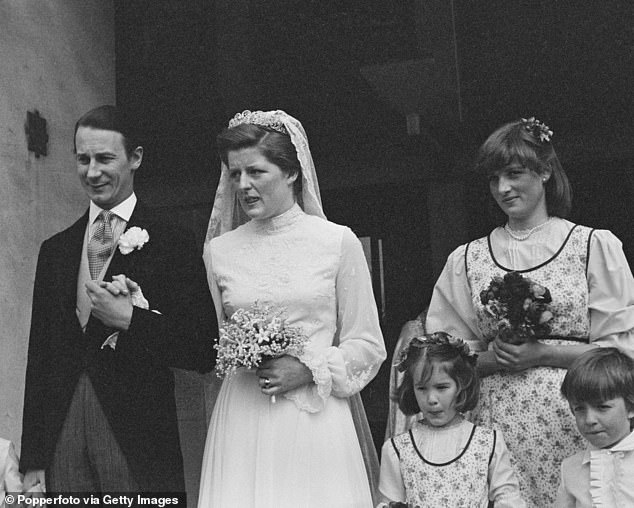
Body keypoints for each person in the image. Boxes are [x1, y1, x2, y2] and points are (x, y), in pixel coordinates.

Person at [424, 117, 634, 506]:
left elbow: (621, 354)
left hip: (574, 419)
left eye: (515, 174)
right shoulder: (467, 259)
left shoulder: (590, 246)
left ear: (545, 172)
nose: (503, 188)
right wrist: (493, 358)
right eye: (493, 179)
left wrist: (545, 354)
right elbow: (441, 359)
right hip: (494, 424)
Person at [20, 105, 216, 493]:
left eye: (105, 158)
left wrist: (131, 319)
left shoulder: (173, 241)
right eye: (83, 159)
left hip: (138, 436)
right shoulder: (55, 250)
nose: (92, 172)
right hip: (62, 437)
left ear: (136, 158)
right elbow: (39, 357)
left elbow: (202, 348)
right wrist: (33, 460)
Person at [198, 110, 386, 507]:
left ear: (292, 173)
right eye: (235, 174)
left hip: (314, 417)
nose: (243, 186)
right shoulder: (219, 252)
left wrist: (309, 368)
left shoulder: (337, 242)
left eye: (256, 172)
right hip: (243, 417)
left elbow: (367, 344)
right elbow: (214, 340)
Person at [377, 332, 524, 507]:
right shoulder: (397, 450)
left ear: (461, 385)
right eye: (422, 388)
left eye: (441, 387)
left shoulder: (487, 442)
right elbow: (389, 502)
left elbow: (509, 499)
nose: (431, 398)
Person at [556, 347, 634, 507]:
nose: (589, 419)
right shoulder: (571, 468)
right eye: (579, 409)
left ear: (631, 407)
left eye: (602, 407)